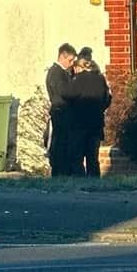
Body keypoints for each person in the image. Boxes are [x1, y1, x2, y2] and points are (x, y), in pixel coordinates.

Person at [69, 47, 113, 178]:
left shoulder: (77, 80)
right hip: (96, 123)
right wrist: (100, 109)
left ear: (79, 66)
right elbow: (107, 99)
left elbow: (70, 99)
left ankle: (80, 180)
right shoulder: (100, 79)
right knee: (93, 157)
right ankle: (94, 181)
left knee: (77, 156)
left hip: (79, 124)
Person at [45, 43, 80, 177]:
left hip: (62, 113)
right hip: (61, 113)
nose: (71, 64)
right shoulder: (56, 73)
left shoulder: (60, 72)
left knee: (62, 143)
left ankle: (62, 171)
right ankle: (61, 172)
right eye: (70, 60)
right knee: (61, 144)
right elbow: (64, 93)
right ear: (62, 57)